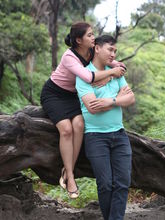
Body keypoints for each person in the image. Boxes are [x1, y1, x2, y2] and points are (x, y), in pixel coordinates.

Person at [40, 22, 126, 199]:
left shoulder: (92, 51)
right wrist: (112, 73)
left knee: (79, 124)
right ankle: (70, 177)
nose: (93, 37)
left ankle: (67, 169)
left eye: (93, 34)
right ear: (78, 40)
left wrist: (118, 66)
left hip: (72, 95)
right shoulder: (69, 56)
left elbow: (111, 61)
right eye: (89, 35)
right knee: (66, 130)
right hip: (54, 94)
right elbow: (88, 77)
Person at [76, 35, 135, 219]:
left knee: (123, 183)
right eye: (110, 49)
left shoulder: (115, 72)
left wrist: (110, 100)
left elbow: (130, 99)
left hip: (119, 134)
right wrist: (119, 99)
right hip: (95, 137)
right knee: (105, 184)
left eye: (115, 51)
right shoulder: (84, 76)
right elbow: (93, 108)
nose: (113, 54)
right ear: (98, 48)